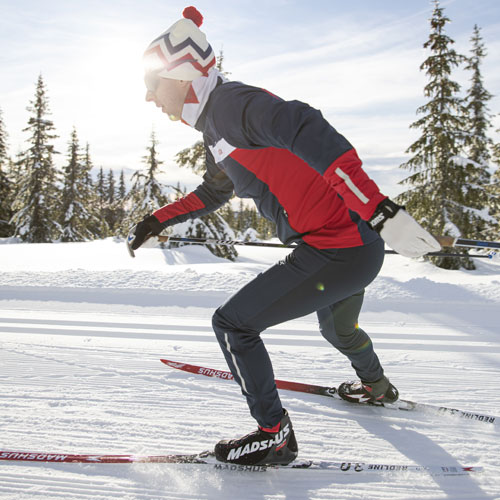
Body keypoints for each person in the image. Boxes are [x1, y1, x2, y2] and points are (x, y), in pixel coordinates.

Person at [128, 6, 441, 466]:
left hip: (339, 247)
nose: (149, 98)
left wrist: (378, 208)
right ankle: (377, 388)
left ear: (179, 75)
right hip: (357, 249)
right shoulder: (215, 130)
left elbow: (303, 125)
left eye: (151, 85)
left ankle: (273, 435)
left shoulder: (230, 106)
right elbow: (215, 192)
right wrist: (158, 219)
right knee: (338, 327)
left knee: (233, 324)